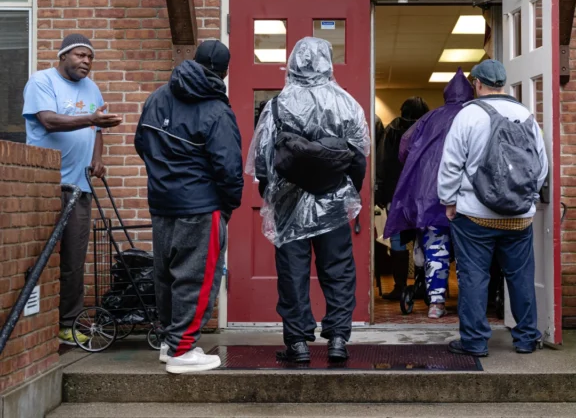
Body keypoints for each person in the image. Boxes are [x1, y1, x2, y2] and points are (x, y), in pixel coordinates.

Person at [246, 37, 369, 363]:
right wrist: (345, 193)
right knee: (339, 270)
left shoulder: (276, 106)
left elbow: (262, 160)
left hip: (288, 204)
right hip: (333, 201)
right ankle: (339, 339)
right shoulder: (347, 104)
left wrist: (271, 196)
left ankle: (298, 343)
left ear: (294, 63)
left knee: (292, 273)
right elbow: (359, 157)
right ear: (328, 63)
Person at [134, 39, 244, 374]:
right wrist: (226, 206)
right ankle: (183, 351)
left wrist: (164, 179)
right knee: (195, 278)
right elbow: (229, 170)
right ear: (223, 73)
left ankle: (171, 343)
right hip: (200, 206)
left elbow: (142, 144)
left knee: (166, 275)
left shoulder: (156, 98)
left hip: (162, 203)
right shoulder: (216, 110)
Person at [438, 59, 548, 357]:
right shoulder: (525, 114)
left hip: (475, 215)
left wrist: (449, 201)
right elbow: (540, 166)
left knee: (474, 276)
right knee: (521, 276)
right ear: (502, 84)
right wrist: (528, 199)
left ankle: (474, 342)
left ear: (478, 84)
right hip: (518, 218)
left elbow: (450, 164)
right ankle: (526, 338)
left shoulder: (469, 115)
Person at [22, 33, 123, 346]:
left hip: (79, 187)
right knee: (37, 258)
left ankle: (68, 326)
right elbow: (49, 121)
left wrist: (98, 158)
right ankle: (32, 325)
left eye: (90, 57)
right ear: (63, 55)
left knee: (74, 261)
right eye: (80, 55)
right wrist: (91, 119)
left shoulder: (91, 88)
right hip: (45, 185)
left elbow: (96, 128)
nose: (86, 62)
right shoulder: (41, 82)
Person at [384, 69, 474, 319]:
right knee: (471, 251)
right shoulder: (477, 115)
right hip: (470, 198)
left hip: (429, 197)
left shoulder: (429, 118)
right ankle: (472, 303)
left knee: (436, 249)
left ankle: (436, 303)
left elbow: (405, 147)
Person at [375, 96, 429, 301]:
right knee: (422, 240)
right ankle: (422, 285)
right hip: (423, 195)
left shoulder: (393, 129)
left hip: (396, 195)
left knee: (398, 241)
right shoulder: (429, 126)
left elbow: (382, 160)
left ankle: (399, 287)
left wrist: (380, 191)